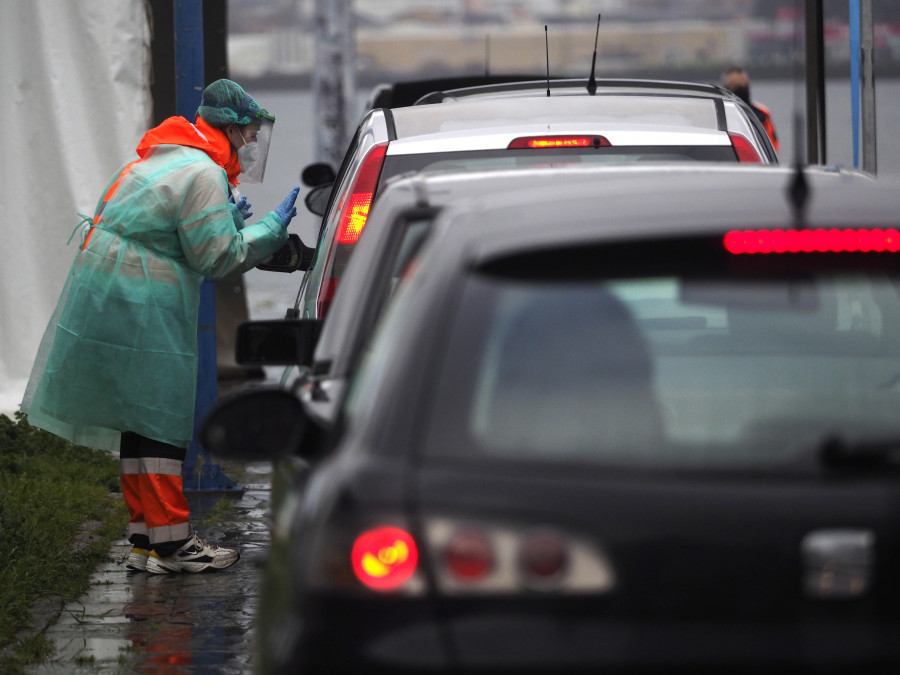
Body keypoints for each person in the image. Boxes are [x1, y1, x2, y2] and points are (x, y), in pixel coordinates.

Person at [20, 79, 300, 574]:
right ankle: (174, 546)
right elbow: (217, 257)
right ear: (231, 130)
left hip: (112, 290)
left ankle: (145, 540)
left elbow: (165, 226)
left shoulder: (166, 156)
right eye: (250, 133)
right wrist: (267, 231)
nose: (253, 144)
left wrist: (224, 218)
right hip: (146, 298)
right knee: (162, 417)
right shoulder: (203, 173)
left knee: (138, 417)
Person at [721, 66, 780, 154]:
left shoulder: (762, 112)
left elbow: (773, 144)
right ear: (727, 87)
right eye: (738, 86)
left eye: (745, 84)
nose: (743, 87)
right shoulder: (721, 112)